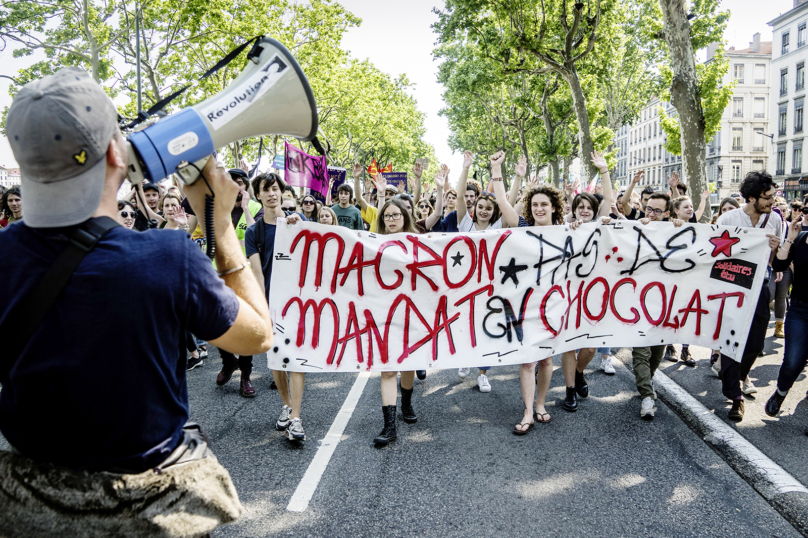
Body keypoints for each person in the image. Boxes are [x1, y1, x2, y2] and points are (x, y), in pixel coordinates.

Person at [0, 67, 272, 533]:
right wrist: (221, 222)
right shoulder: (166, 256)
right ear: (114, 152)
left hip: (29, 513)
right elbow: (257, 337)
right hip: (151, 514)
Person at [245, 173, 308, 442]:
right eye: (265, 190)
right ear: (258, 196)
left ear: (281, 192)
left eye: (275, 189)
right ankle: (286, 404)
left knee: (295, 358)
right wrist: (262, 307)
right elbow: (257, 274)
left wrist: (299, 227)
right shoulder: (253, 232)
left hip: (297, 301)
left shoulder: (297, 221)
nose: (271, 194)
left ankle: (295, 418)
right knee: (276, 359)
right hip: (271, 303)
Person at [716, 171, 782, 422]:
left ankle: (736, 377)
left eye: (773, 197)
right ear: (752, 198)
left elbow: (772, 262)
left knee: (755, 343)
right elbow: (716, 255)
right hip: (731, 287)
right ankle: (736, 397)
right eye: (767, 198)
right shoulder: (729, 219)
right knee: (733, 341)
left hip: (759, 287)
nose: (772, 202)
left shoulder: (774, 220)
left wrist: (775, 249)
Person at [562, 152, 615, 410]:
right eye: (580, 206)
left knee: (590, 347)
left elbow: (610, 201)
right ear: (573, 210)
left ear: (594, 210)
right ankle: (570, 390)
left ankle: (580, 372)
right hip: (567, 294)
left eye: (589, 207)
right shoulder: (562, 228)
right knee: (568, 345)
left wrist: (604, 171)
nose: (584, 210)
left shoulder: (600, 224)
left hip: (594, 294)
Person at [631, 193, 686, 420]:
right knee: (640, 351)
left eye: (656, 211)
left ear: (667, 214)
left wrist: (681, 227)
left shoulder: (675, 231)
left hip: (666, 303)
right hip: (636, 302)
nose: (650, 214)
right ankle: (646, 395)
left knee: (657, 352)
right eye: (648, 208)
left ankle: (648, 381)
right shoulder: (636, 229)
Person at [372, 198, 422, 447]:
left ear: (405, 216)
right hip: (384, 314)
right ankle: (389, 425)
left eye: (395, 215)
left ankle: (406, 402)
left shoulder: (419, 242)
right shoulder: (371, 243)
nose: (391, 220)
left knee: (409, 363)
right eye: (387, 216)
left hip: (412, 312)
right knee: (389, 368)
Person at [765, 214, 808, 422]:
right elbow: (779, 266)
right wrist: (790, 237)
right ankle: (780, 394)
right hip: (800, 310)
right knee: (792, 362)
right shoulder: (801, 239)